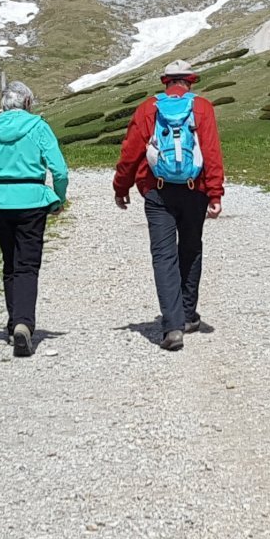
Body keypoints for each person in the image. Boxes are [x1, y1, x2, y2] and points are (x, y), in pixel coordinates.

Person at [113, 60, 224, 351]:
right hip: (195, 190)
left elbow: (130, 152)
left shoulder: (148, 108)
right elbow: (211, 151)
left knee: (164, 257)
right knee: (191, 248)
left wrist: (120, 187)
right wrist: (215, 194)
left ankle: (172, 326)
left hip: (157, 192)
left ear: (165, 81)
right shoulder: (202, 107)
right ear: (190, 81)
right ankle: (188, 315)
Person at [0, 83, 68, 357]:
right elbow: (60, 170)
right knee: (27, 265)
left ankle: (12, 323)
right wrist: (59, 198)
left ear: (4, 104)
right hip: (32, 200)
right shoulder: (38, 126)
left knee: (10, 261)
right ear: (28, 103)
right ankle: (23, 324)